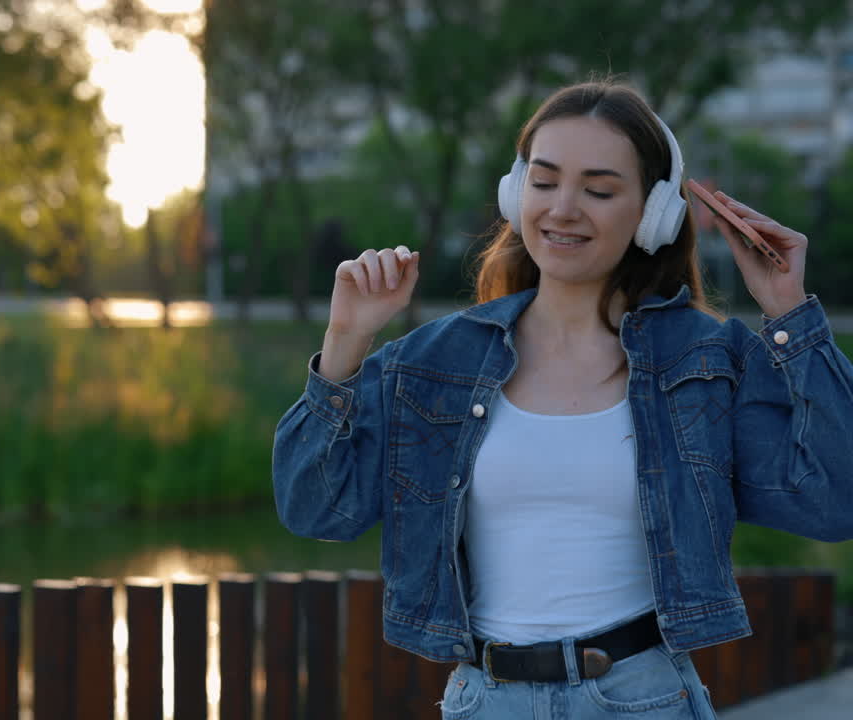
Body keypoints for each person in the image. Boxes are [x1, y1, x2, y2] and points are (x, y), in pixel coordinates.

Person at [272, 80, 853, 719]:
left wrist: (791, 316)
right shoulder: (436, 361)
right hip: (484, 703)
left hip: (644, 701)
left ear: (652, 213)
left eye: (599, 190)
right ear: (515, 192)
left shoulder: (706, 360)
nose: (564, 208)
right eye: (544, 182)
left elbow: (835, 501)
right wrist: (344, 347)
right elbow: (316, 510)